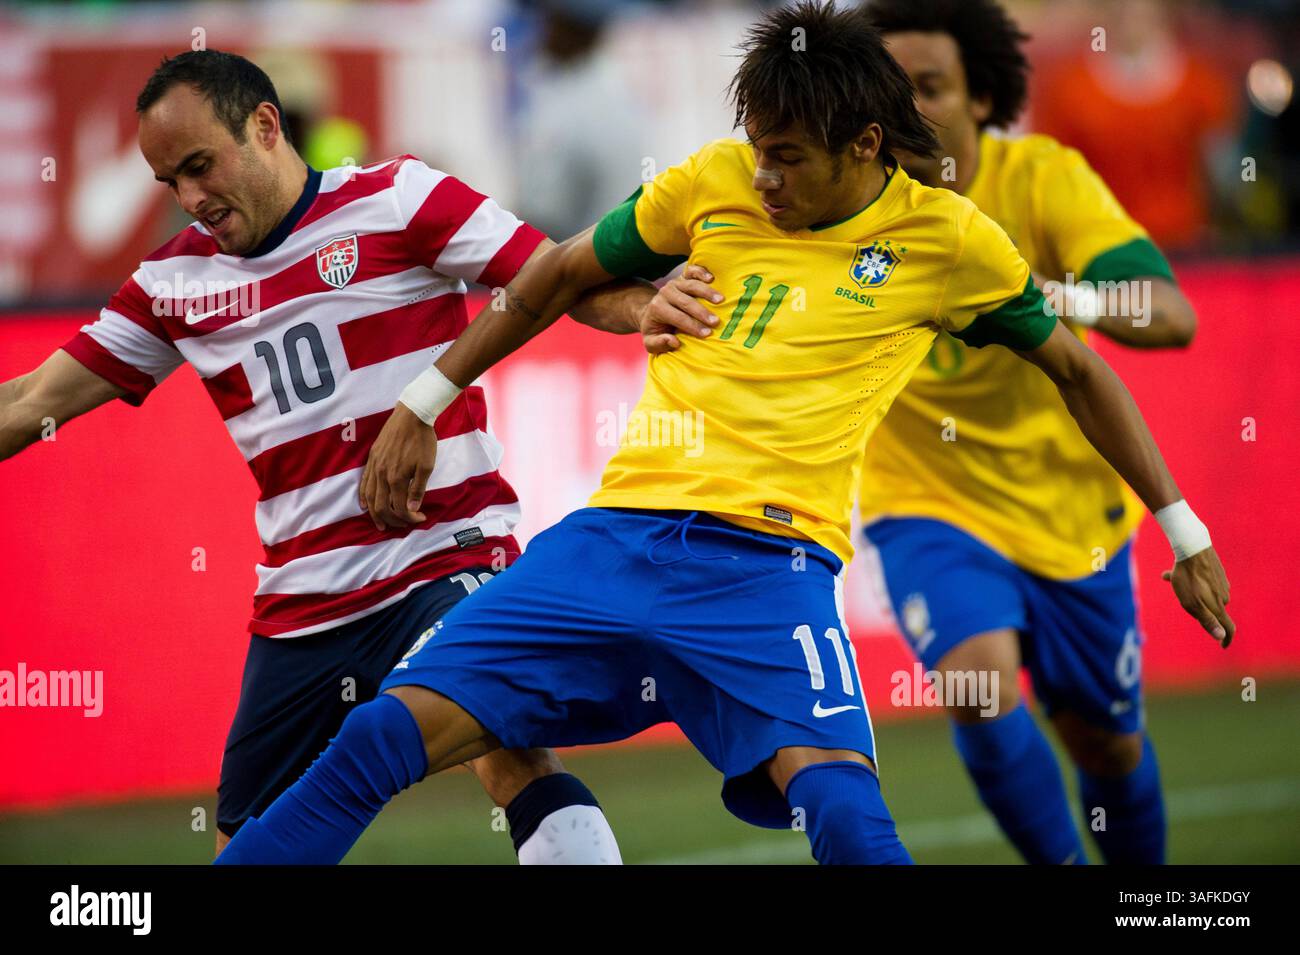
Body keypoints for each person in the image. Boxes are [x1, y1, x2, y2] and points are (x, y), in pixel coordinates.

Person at [216, 1, 1231, 867]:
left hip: (769, 569)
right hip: (610, 542)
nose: (765, 177)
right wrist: (425, 399)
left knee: (844, 813)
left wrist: (1183, 533)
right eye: (757, 150)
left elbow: (1080, 369)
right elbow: (561, 272)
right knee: (373, 740)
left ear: (865, 147)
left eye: (787, 159)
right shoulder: (712, 183)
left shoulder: (952, 240)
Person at [0, 49, 657, 864]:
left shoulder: (398, 200)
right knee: (249, 843)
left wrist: (649, 309)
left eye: (200, 166)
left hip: (439, 557)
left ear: (266, 125)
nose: (190, 198)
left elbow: (553, 277)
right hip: (303, 606)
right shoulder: (173, 284)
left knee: (508, 750)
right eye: (170, 181)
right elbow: (30, 402)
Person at [858, 0, 1215, 864]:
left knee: (1106, 746)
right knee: (977, 684)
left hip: (1066, 509)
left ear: (983, 98)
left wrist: (1072, 300)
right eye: (892, 91)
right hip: (926, 499)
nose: (913, 108)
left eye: (932, 87)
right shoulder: (848, 204)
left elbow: (1170, 314)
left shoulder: (1043, 180)